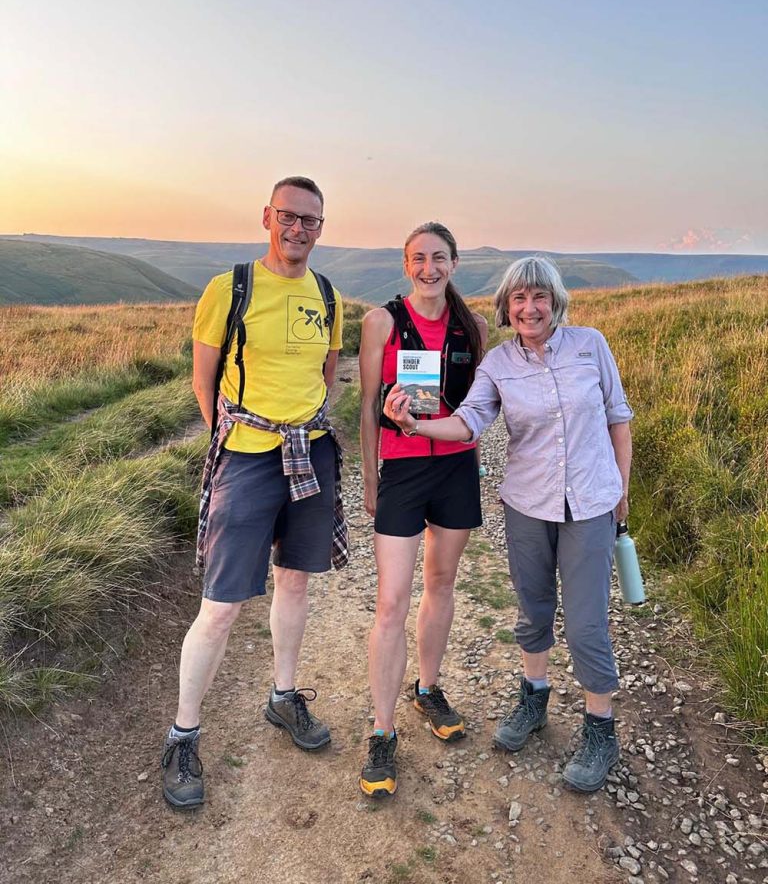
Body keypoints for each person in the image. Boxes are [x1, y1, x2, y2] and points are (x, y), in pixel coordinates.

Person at [384, 255, 633, 793]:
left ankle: (600, 728)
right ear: (506, 307)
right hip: (527, 504)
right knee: (533, 608)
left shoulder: (591, 345)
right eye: (518, 299)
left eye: (539, 297)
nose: (529, 307)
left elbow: (618, 416)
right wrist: (414, 421)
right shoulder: (498, 363)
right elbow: (470, 420)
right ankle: (533, 698)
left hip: (590, 502)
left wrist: (622, 489)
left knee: (587, 621)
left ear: (555, 301)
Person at [161, 176, 347, 809]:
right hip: (246, 456)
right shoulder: (230, 288)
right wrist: (230, 442)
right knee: (221, 604)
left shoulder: (327, 293)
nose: (299, 229)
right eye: (289, 217)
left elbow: (327, 375)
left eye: (311, 221)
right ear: (268, 216)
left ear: (322, 228)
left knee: (295, 581)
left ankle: (283, 697)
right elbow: (203, 377)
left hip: (310, 449)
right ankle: (182, 736)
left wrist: (307, 424)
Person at [358, 222, 488, 798]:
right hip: (403, 470)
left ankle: (427, 689)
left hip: (456, 468)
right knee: (391, 601)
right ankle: (382, 732)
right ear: (406, 263)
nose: (428, 268)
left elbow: (481, 404)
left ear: (455, 263)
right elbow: (366, 406)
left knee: (441, 584)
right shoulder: (382, 322)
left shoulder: (473, 326)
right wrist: (369, 477)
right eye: (418, 259)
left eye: (438, 258)